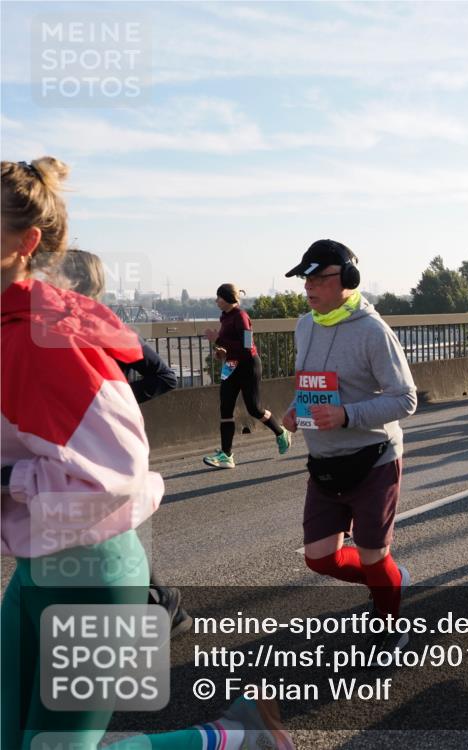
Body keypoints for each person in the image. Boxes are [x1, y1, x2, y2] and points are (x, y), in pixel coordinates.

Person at [1, 158, 292, 750]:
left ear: (25, 243)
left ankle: (233, 737)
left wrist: (9, 476)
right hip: (37, 566)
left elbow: (118, 478)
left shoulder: (45, 338)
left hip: (91, 574)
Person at [281, 239, 418, 654]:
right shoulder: (305, 325)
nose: (309, 286)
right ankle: (390, 578)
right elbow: (310, 386)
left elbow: (406, 399)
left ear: (348, 280)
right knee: (320, 559)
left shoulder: (373, 332)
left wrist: (346, 416)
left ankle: (390, 626)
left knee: (374, 555)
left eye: (320, 277)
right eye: (306, 277)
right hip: (324, 462)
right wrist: (293, 410)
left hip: (373, 459)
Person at [57, 248, 192, 638]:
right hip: (70, 445)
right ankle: (162, 601)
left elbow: (163, 376)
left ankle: (158, 603)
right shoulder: (48, 333)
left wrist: (112, 403)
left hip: (105, 445)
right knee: (105, 525)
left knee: (105, 525)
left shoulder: (108, 329)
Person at [202, 284, 292, 468]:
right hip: (231, 365)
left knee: (254, 409)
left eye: (219, 297)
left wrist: (217, 339)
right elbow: (232, 346)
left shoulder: (241, 316)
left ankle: (281, 432)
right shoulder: (225, 318)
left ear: (227, 298)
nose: (216, 300)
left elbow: (246, 346)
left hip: (248, 365)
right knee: (225, 407)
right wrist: (222, 351)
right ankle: (226, 455)